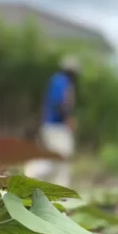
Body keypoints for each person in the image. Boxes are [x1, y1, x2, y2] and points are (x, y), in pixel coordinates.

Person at [25, 55, 80, 187]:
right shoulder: (63, 82)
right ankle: (33, 174)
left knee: (56, 159)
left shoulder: (57, 80)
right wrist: (68, 118)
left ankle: (49, 186)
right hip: (57, 127)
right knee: (61, 158)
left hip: (51, 126)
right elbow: (61, 103)